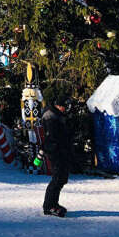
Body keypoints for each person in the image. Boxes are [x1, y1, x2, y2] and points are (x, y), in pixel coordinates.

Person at [41, 87, 73, 218]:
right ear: (60, 106)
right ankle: (49, 206)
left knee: (62, 178)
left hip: (61, 150)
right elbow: (53, 137)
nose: (67, 109)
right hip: (55, 151)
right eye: (66, 107)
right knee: (58, 178)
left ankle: (53, 203)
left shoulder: (59, 115)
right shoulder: (51, 117)